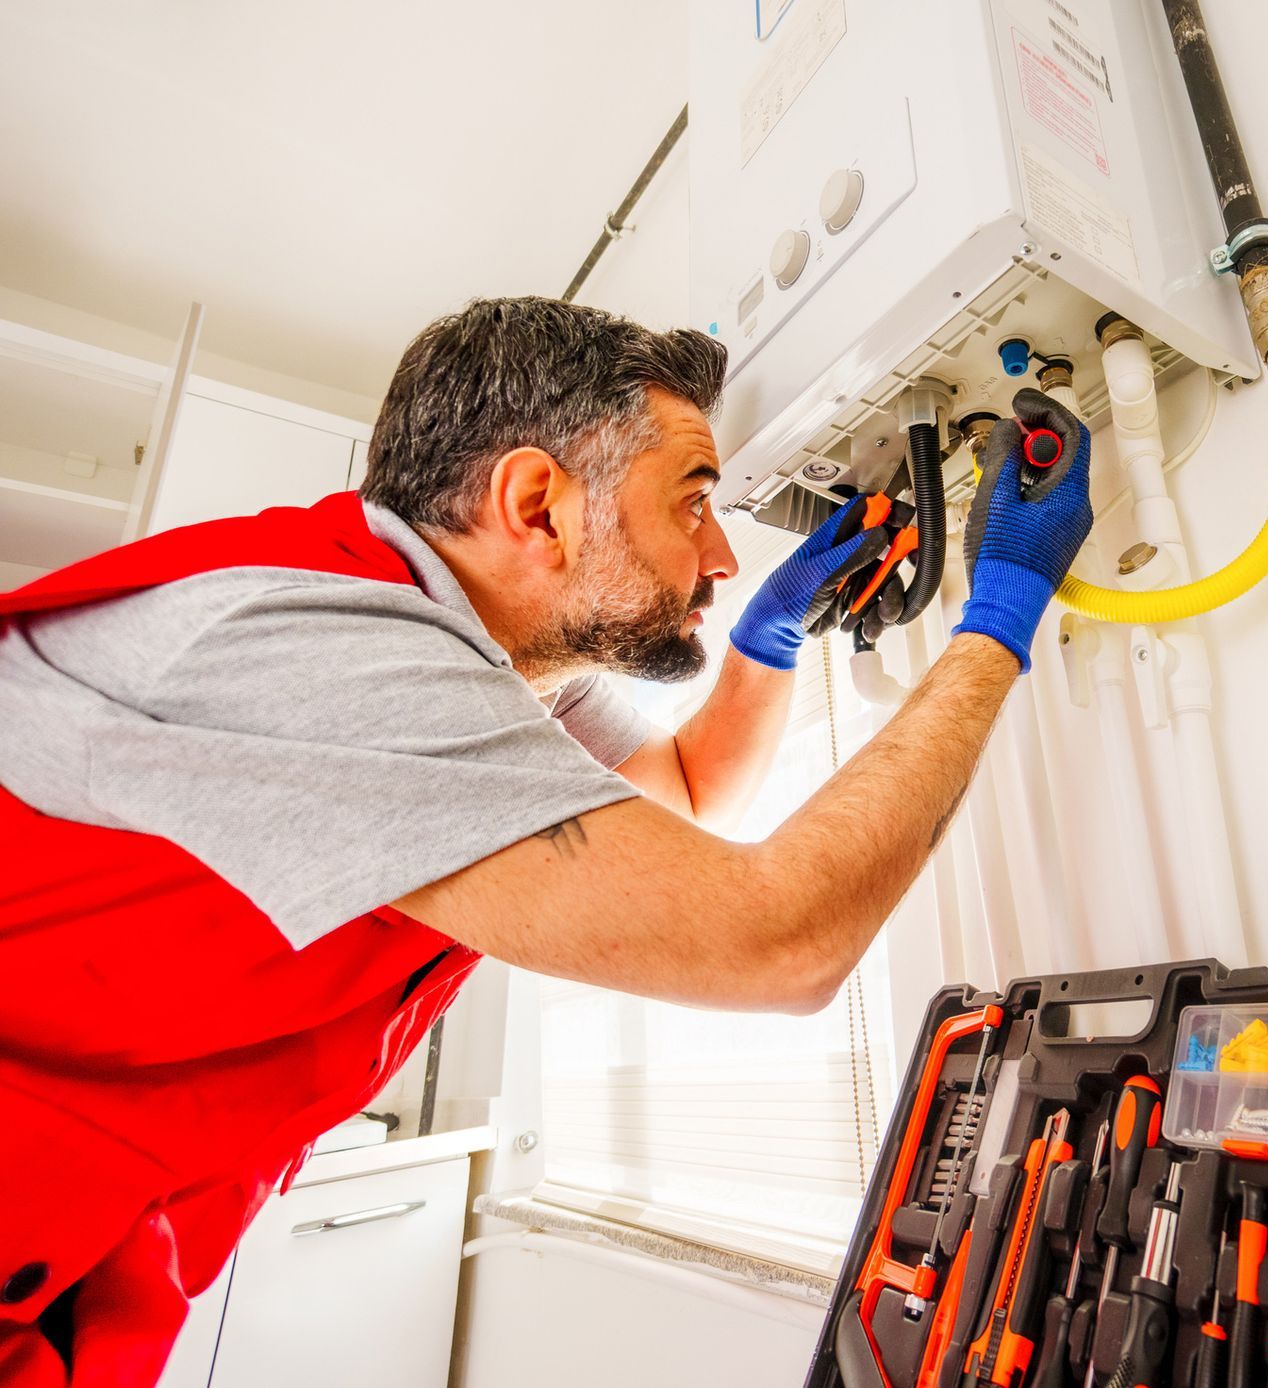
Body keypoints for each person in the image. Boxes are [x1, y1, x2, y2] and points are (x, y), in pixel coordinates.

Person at [0, 296, 1094, 1385]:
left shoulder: (495, 664)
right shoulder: (331, 651)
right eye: (694, 502)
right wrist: (997, 622)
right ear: (539, 505)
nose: (717, 554)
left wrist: (769, 631)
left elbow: (690, 793)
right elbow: (779, 940)